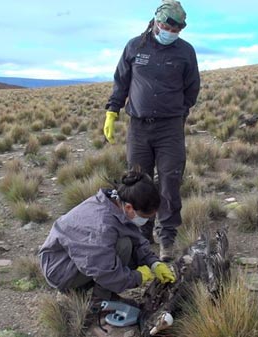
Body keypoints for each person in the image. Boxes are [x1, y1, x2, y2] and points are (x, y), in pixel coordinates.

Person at [103, 0, 200, 261]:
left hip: (170, 128)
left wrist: (180, 112)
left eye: (176, 29)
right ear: (156, 22)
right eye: (167, 26)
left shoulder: (186, 52)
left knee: (170, 181)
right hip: (138, 128)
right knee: (138, 182)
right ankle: (140, 239)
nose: (170, 31)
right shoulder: (135, 46)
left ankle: (166, 239)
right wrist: (112, 111)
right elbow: (121, 81)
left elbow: (192, 88)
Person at [38, 168, 176, 302]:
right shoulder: (102, 227)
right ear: (129, 207)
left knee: (127, 245)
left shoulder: (116, 203)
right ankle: (99, 301)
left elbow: (136, 240)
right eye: (146, 216)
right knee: (124, 246)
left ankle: (91, 289)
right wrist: (138, 277)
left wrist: (153, 263)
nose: (147, 221)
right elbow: (105, 272)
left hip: (78, 257)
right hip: (61, 270)